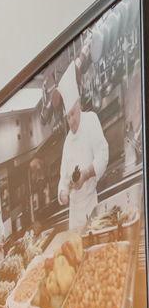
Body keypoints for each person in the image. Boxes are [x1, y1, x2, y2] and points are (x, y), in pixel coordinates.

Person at [54, 60, 111, 242]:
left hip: (90, 206)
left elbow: (103, 154)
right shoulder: (67, 141)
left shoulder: (91, 120)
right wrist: (62, 193)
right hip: (74, 214)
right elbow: (63, 179)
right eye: (67, 117)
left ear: (78, 105)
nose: (70, 121)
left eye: (72, 114)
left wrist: (86, 174)